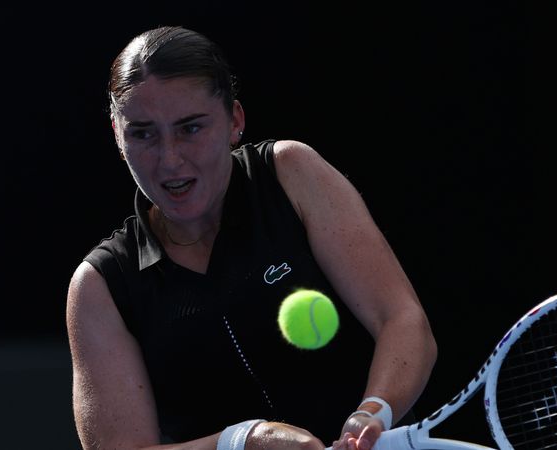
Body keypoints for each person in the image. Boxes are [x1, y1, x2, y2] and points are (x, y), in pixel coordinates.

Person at [66, 25, 437, 450]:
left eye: (190, 128)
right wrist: (242, 442)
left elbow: (402, 320)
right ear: (118, 135)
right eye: (143, 134)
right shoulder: (101, 287)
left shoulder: (293, 175)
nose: (169, 159)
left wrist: (373, 412)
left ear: (234, 121)